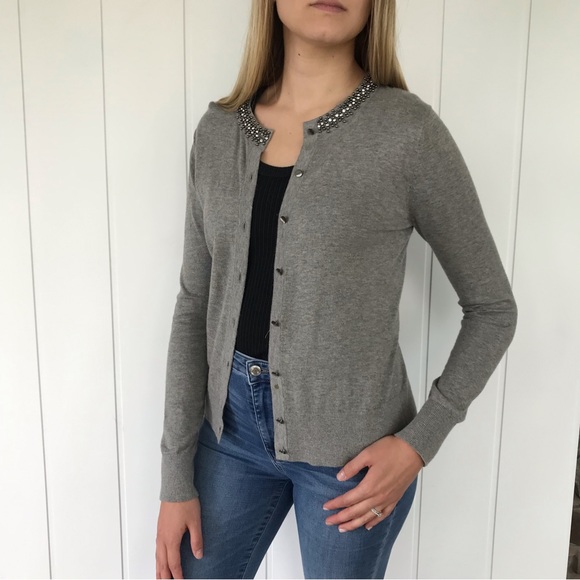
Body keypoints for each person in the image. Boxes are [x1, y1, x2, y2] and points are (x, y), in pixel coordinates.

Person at [155, 0, 518, 578]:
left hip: (353, 460)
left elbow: (493, 309)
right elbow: (194, 304)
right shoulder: (218, 132)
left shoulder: (408, 133)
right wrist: (175, 477)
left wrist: (419, 442)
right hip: (227, 436)